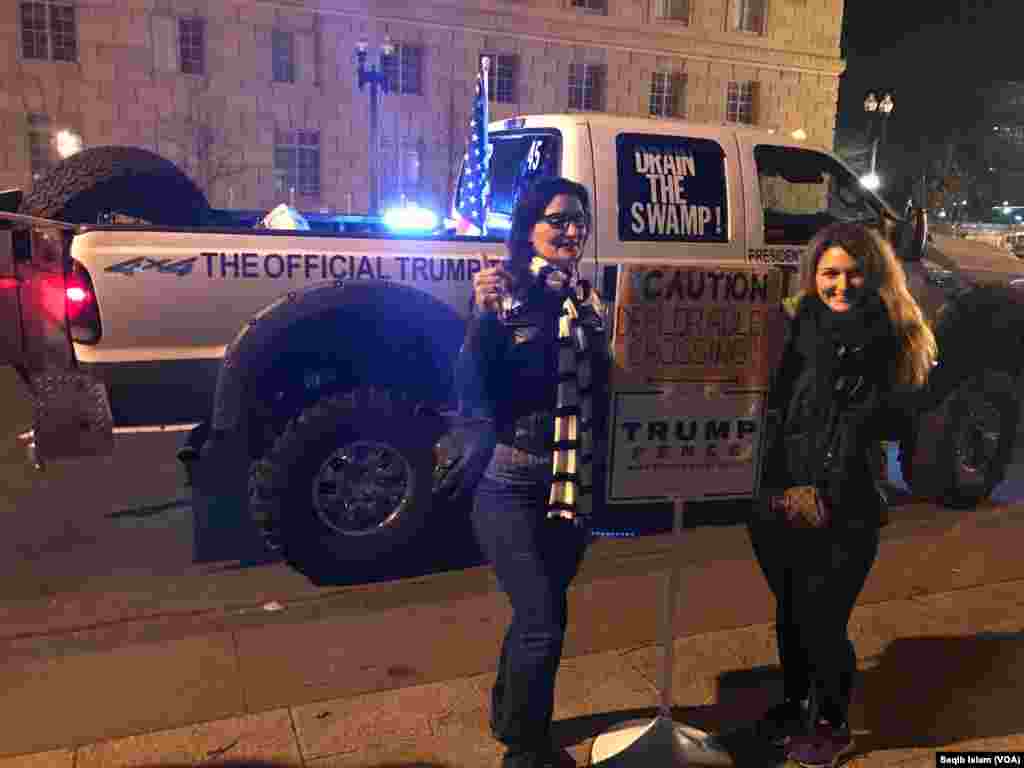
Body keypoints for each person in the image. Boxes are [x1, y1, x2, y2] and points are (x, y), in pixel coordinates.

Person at [749, 222, 937, 767]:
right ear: (812, 275)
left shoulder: (894, 336)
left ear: (873, 275)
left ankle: (832, 723)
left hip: (844, 502)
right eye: (829, 273)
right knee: (790, 612)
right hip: (777, 495)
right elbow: (772, 406)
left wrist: (821, 491)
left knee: (823, 620)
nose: (841, 284)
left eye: (854, 273)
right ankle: (793, 705)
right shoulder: (793, 326)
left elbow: (886, 422)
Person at [435, 177, 607, 768]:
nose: (571, 230)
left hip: (569, 478)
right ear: (529, 227)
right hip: (509, 478)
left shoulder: (585, 299)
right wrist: (482, 319)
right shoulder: (503, 291)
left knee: (542, 610)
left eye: (579, 220)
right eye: (558, 220)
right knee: (542, 622)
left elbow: (601, 387)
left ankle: (510, 719)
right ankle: (526, 752)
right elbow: (471, 387)